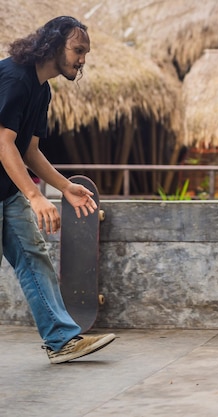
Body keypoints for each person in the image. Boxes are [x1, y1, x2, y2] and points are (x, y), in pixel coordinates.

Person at [0, 16, 116, 363]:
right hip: (14, 187)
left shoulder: (42, 89)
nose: (82, 60)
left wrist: (65, 187)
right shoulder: (13, 78)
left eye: (85, 53)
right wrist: (35, 196)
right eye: (78, 50)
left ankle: (61, 340)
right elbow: (3, 143)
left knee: (34, 257)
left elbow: (29, 151)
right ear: (53, 44)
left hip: (6, 190)